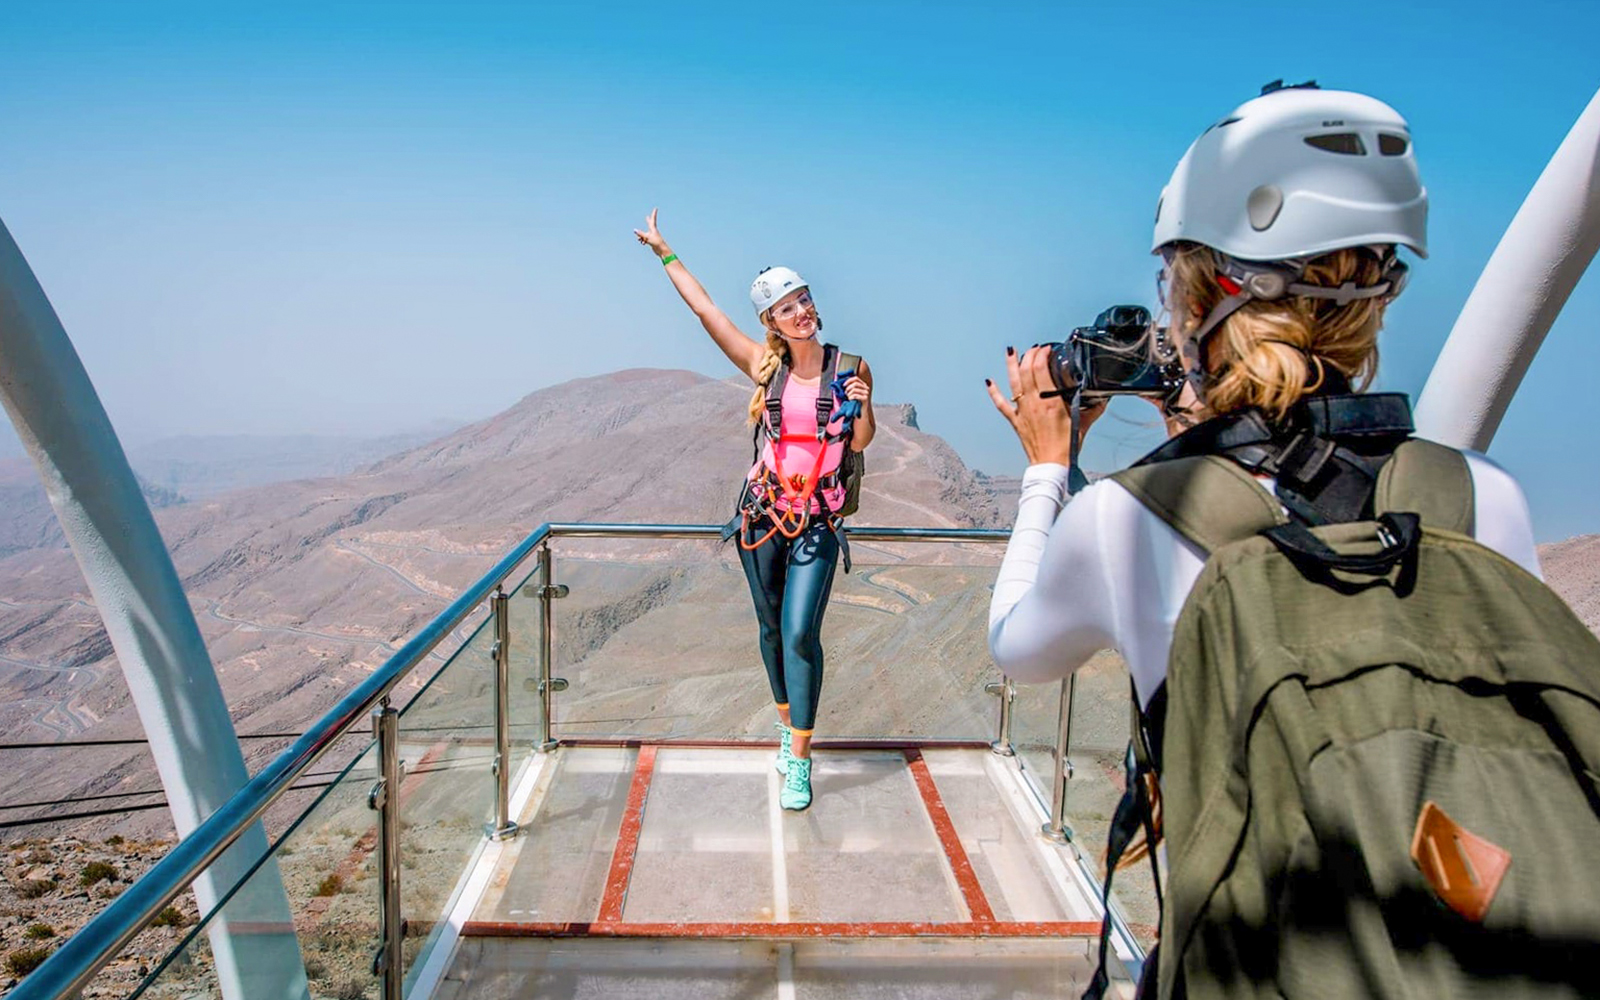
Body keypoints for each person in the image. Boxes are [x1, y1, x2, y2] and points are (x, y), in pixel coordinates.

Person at [984, 84, 1594, 998]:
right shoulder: (1479, 492)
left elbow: (1018, 649)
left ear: (1200, 292)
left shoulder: (1125, 518)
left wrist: (1047, 464)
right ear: (1379, 293)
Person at [635, 208, 875, 811]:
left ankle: (799, 760)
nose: (803, 311)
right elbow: (706, 311)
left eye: (806, 299)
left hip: (816, 522)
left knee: (800, 632)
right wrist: (665, 252)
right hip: (763, 515)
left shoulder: (850, 367)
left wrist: (864, 404)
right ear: (771, 321)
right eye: (789, 306)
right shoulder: (762, 367)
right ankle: (784, 722)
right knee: (770, 629)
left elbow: (864, 439)